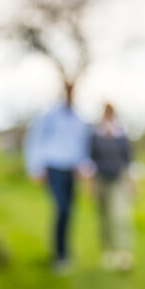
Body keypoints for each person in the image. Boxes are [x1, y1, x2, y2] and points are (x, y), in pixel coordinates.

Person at [23, 82, 92, 272]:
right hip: (53, 168)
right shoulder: (49, 116)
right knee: (61, 208)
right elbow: (35, 141)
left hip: (72, 170)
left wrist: (84, 167)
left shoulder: (79, 119)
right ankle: (59, 256)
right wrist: (35, 167)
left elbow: (83, 146)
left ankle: (65, 251)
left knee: (69, 211)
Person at [90, 103, 136, 271]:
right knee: (103, 217)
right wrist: (91, 184)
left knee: (119, 216)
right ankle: (107, 252)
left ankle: (122, 253)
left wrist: (132, 183)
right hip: (101, 180)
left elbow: (129, 161)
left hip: (118, 180)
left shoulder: (122, 135)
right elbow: (91, 161)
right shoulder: (95, 134)